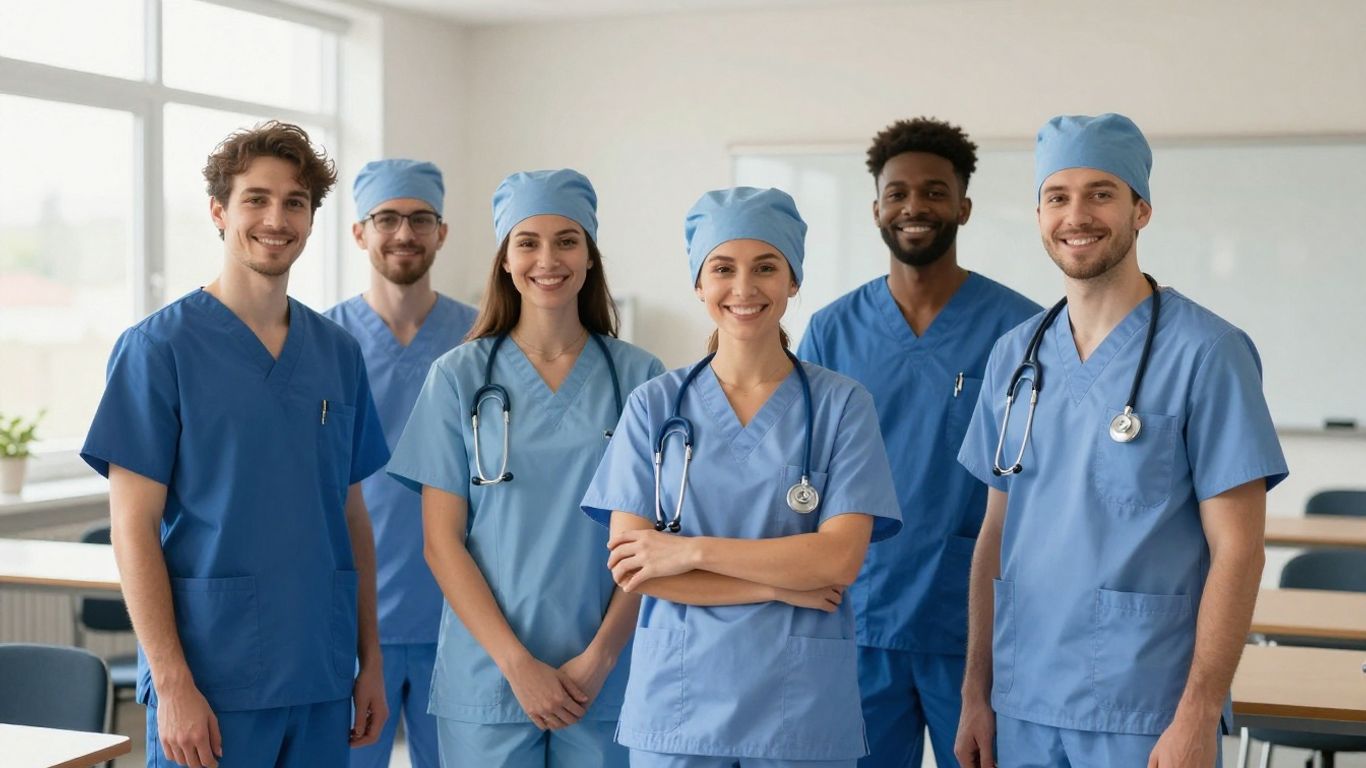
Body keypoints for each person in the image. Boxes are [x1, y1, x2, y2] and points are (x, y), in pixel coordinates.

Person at [953, 113, 1288, 768]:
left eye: (1101, 193)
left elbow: (1239, 548)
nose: (1077, 215)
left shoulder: (1208, 353)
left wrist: (1197, 713)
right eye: (1058, 196)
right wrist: (976, 690)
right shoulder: (1013, 358)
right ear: (1040, 213)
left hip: (1147, 707)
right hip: (1023, 700)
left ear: (1141, 210)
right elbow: (994, 535)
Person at [81, 121, 391, 768]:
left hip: (319, 667)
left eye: (296, 202)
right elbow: (132, 530)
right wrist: (171, 683)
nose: (276, 218)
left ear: (311, 220)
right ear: (220, 211)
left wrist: (370, 662)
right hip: (211, 679)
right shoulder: (157, 351)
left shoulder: (336, 353)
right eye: (257, 198)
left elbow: (351, 514)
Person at [582, 186, 902, 768]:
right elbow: (635, 569)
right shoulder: (654, 407)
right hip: (679, 707)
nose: (744, 288)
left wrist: (687, 552)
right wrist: (776, 585)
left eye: (766, 267)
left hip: (799, 708)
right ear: (699, 284)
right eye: (723, 268)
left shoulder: (842, 406)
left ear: (794, 280)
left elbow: (838, 561)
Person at [385, 169, 664, 767]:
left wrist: (600, 660)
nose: (548, 258)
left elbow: (655, 544)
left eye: (567, 240)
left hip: (605, 676)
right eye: (528, 242)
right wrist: (516, 664)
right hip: (488, 675)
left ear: (590, 257)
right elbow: (441, 543)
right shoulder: (458, 377)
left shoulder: (641, 380)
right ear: (505, 260)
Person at [797, 118, 1040, 768]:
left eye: (934, 191)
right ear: (877, 207)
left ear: (962, 205)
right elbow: (802, 476)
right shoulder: (832, 330)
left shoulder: (1022, 329)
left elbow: (1036, 484)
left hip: (973, 622)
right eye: (898, 192)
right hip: (858, 617)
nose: (915, 207)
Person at [324, 158, 478, 768]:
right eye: (386, 218)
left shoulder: (479, 339)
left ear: (442, 232)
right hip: (357, 616)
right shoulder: (323, 340)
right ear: (359, 232)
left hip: (461, 613)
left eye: (420, 219)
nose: (404, 233)